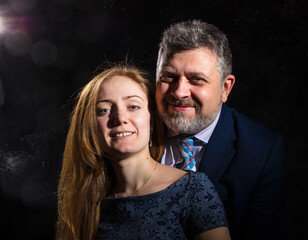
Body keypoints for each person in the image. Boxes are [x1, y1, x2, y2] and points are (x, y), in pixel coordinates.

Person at [56, 64, 230, 240]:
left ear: (152, 120)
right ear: (89, 129)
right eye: (104, 110)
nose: (120, 118)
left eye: (133, 106)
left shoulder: (192, 190)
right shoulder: (88, 206)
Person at [156, 20, 287, 239]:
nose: (179, 92)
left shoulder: (262, 151)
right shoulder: (131, 129)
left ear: (225, 88)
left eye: (196, 80)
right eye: (168, 76)